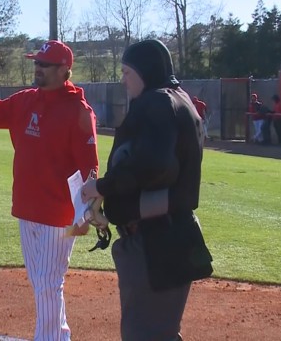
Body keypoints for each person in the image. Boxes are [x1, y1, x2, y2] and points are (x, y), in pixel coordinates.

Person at [81, 39, 213, 341]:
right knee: (160, 332)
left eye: (127, 72)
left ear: (145, 71)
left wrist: (102, 187)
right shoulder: (180, 100)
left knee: (145, 334)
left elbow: (154, 165)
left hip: (154, 241)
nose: (123, 80)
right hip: (174, 234)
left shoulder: (156, 101)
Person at [0, 40, 99, 340]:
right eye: (36, 63)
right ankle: (59, 335)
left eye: (45, 64)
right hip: (27, 208)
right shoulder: (25, 100)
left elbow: (90, 167)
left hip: (60, 213)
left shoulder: (78, 110)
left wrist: (88, 211)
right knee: (41, 281)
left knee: (48, 282)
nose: (38, 68)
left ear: (64, 70)